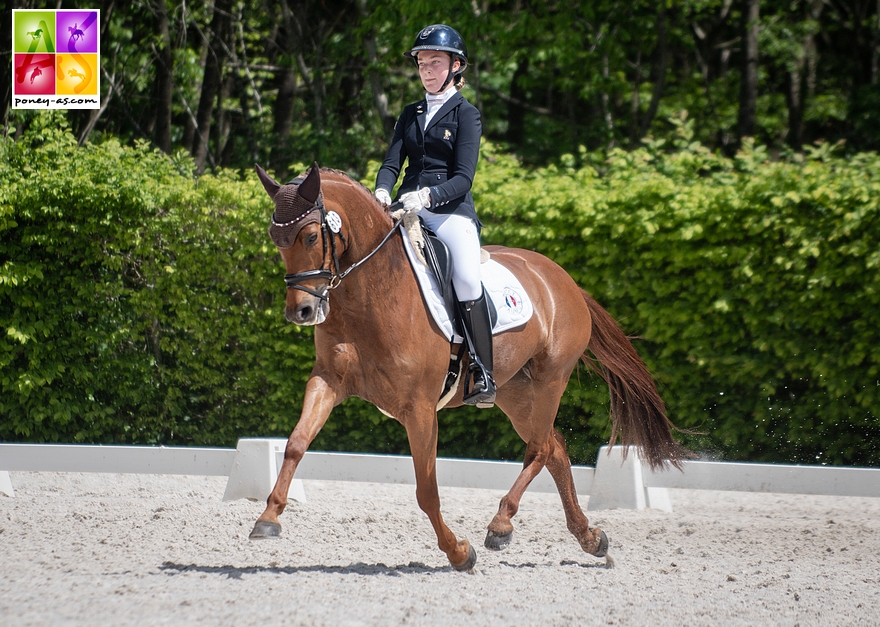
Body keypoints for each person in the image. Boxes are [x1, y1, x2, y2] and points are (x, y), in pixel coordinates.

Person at [375, 24, 495, 408]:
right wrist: (381, 190)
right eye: (422, 63)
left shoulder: (467, 114)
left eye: (435, 63)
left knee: (464, 275)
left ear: (455, 66)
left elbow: (464, 178)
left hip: (449, 212)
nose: (426, 70)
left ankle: (482, 371)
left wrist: (427, 196)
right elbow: (392, 163)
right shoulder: (411, 113)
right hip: (405, 207)